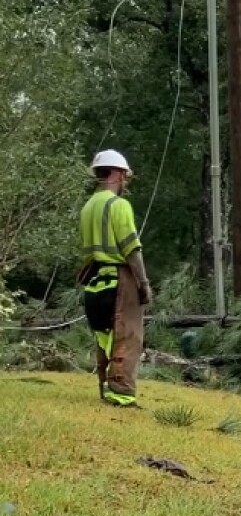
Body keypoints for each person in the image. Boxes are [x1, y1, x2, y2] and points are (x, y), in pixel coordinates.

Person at [77, 149, 152, 407]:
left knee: (105, 338)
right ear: (118, 174)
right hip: (119, 282)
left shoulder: (87, 208)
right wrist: (143, 284)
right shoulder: (118, 206)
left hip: (94, 283)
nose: (126, 182)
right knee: (128, 338)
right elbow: (132, 249)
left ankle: (104, 389)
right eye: (125, 176)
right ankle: (120, 395)